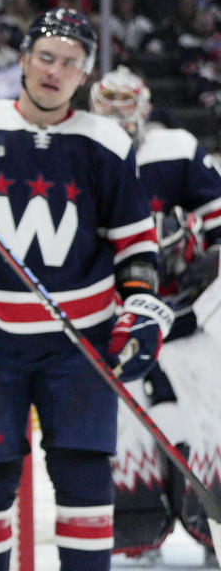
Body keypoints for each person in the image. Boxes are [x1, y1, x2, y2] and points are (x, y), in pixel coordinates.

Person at [0, 8, 172, 571]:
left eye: (71, 63)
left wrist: (140, 302)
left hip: (82, 344)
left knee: (86, 478)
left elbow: (135, 244)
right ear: (22, 60)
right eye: (46, 57)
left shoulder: (106, 142)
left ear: (85, 76)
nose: (55, 70)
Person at [90, 65, 221, 563]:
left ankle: (212, 534)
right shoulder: (82, 150)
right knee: (127, 437)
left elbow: (218, 222)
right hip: (116, 323)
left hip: (185, 322)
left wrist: (206, 263)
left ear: (144, 106)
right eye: (108, 100)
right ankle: (137, 537)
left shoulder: (177, 149)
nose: (117, 112)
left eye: (127, 101)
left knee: (211, 426)